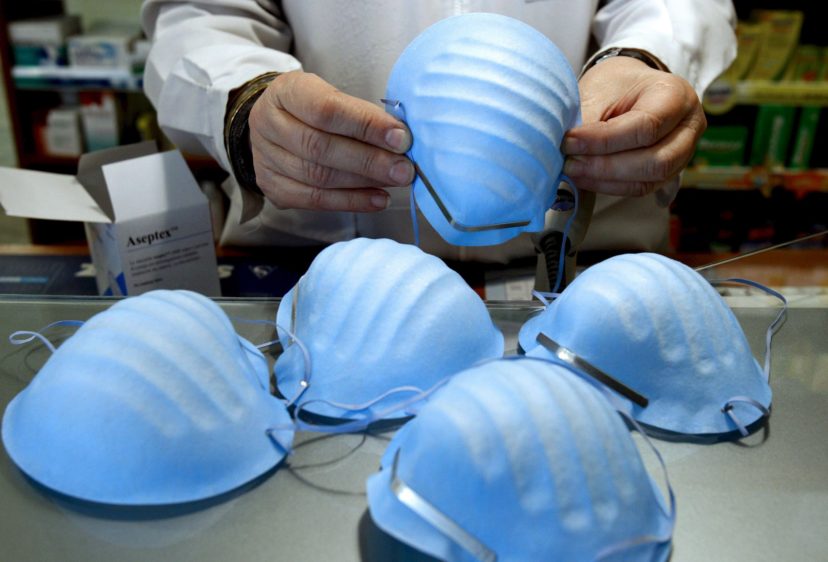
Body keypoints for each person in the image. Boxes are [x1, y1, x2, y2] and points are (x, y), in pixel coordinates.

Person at [140, 1, 737, 263]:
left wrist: (648, 55)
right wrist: (242, 100)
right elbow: (204, 17)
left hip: (584, 260)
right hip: (321, 262)